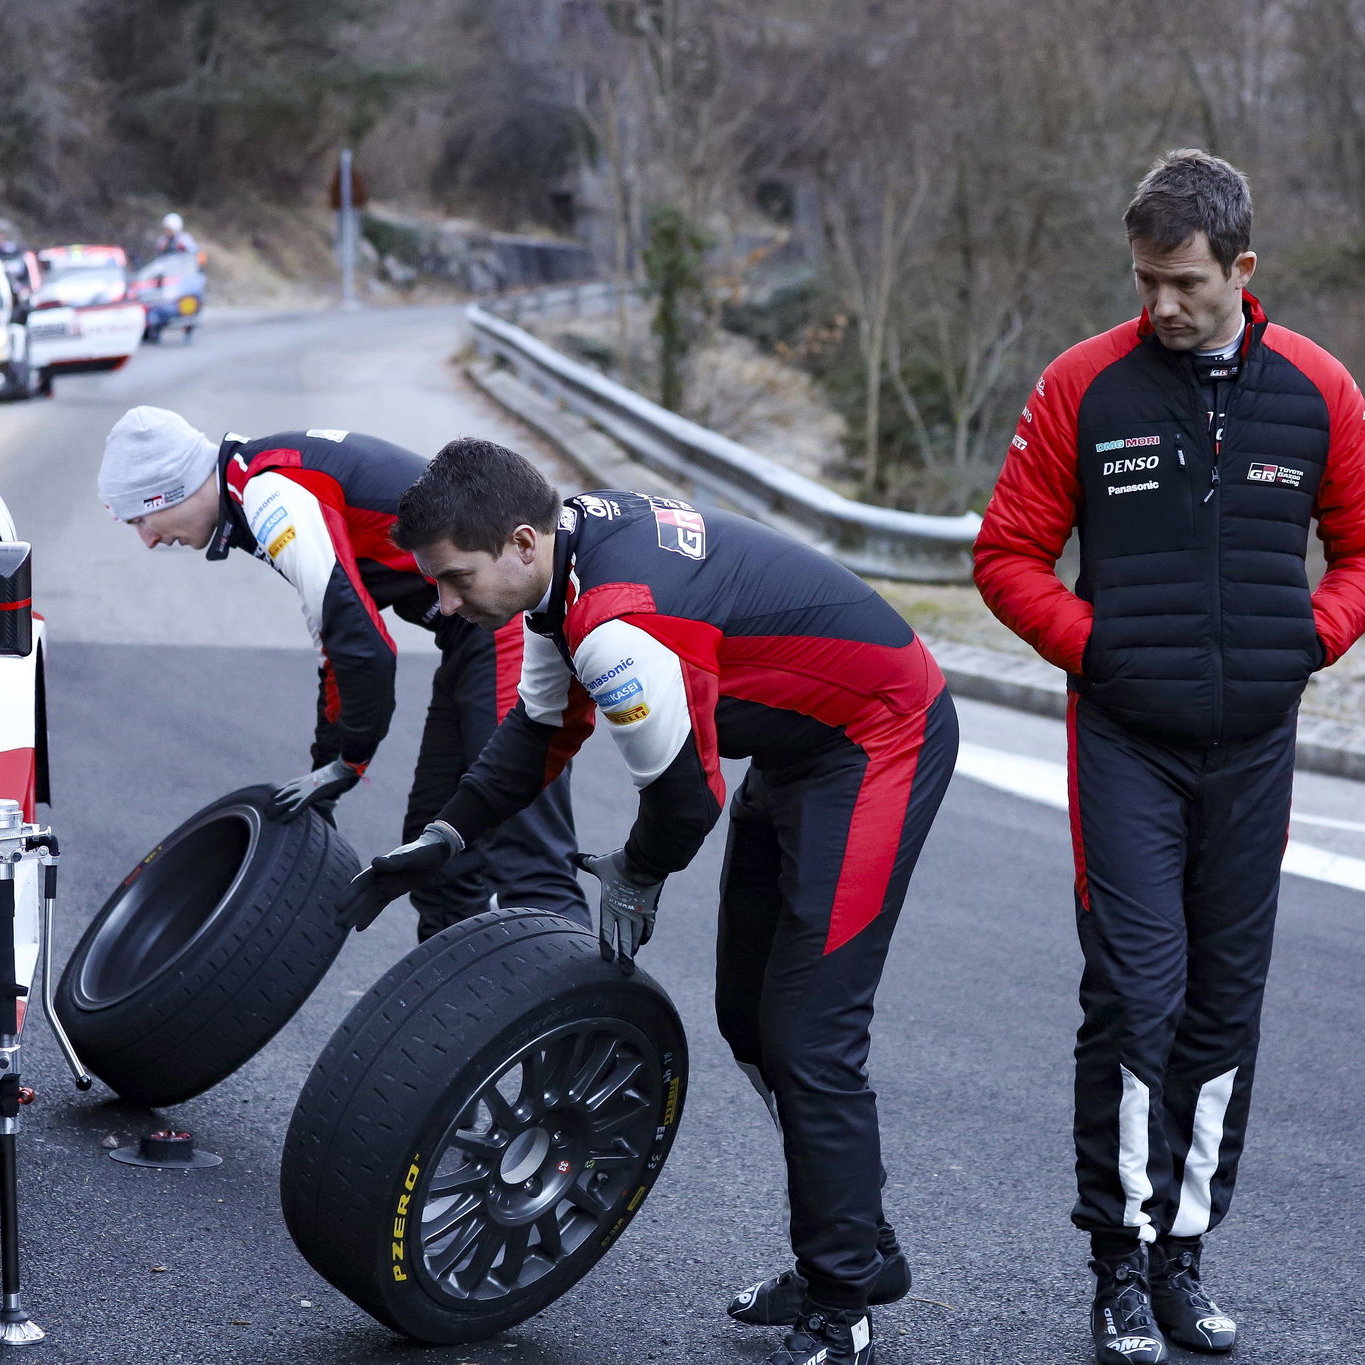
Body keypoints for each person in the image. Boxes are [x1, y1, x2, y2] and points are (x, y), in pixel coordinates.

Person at [336, 438, 959, 1365]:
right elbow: (540, 729)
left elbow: (681, 803)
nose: (447, 606)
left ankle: (841, 1300)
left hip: (880, 741)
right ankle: (860, 1249)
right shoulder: (560, 569)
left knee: (809, 1036)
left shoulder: (618, 623)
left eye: (457, 582)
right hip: (799, 747)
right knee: (747, 1019)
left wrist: (634, 869)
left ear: (516, 542)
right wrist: (446, 837)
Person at [974, 148, 1365, 1365]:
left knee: (1221, 1013)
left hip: (1255, 749)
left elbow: (1361, 552)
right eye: (1145, 279)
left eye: (1185, 282)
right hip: (1126, 745)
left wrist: (1309, 639)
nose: (1161, 304)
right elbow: (1005, 556)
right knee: (1136, 1001)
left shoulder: (1321, 391)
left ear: (1243, 270)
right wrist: (1103, 652)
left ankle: (1183, 1261)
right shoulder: (1084, 386)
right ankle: (1117, 1269)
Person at [96, 408, 588, 939]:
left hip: (510, 623)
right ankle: (465, 1010)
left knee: (526, 850)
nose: (146, 540)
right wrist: (328, 764)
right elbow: (335, 640)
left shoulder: (269, 491)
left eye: (140, 520)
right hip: (472, 638)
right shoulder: (257, 483)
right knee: (434, 853)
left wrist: (347, 760)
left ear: (167, 492)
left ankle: (588, 1010)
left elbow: (364, 646)